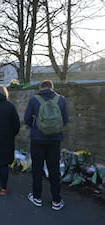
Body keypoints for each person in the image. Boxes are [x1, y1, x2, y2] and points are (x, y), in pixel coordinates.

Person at [24, 80, 69, 210]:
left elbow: (27, 119)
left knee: (37, 168)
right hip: (55, 140)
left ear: (40, 88)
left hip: (37, 139)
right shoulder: (61, 100)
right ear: (52, 88)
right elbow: (65, 120)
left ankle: (37, 197)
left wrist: (36, 128)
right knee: (54, 169)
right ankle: (56, 200)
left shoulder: (34, 100)